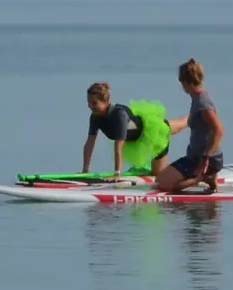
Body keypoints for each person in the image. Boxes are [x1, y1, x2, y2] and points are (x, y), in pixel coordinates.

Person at [154, 59, 225, 193]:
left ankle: (202, 177)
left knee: (163, 184)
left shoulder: (203, 103)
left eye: (180, 80)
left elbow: (219, 130)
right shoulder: (198, 98)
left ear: (186, 81)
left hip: (204, 160)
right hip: (194, 157)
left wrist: (206, 158)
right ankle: (208, 177)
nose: (180, 84)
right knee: (160, 179)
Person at [82, 82, 171, 177]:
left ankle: (188, 119)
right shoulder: (95, 117)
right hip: (135, 140)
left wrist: (117, 174)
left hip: (154, 135)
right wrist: (85, 170)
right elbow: (89, 144)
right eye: (88, 102)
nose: (90, 106)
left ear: (106, 101)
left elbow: (118, 147)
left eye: (94, 103)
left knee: (159, 175)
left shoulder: (119, 115)